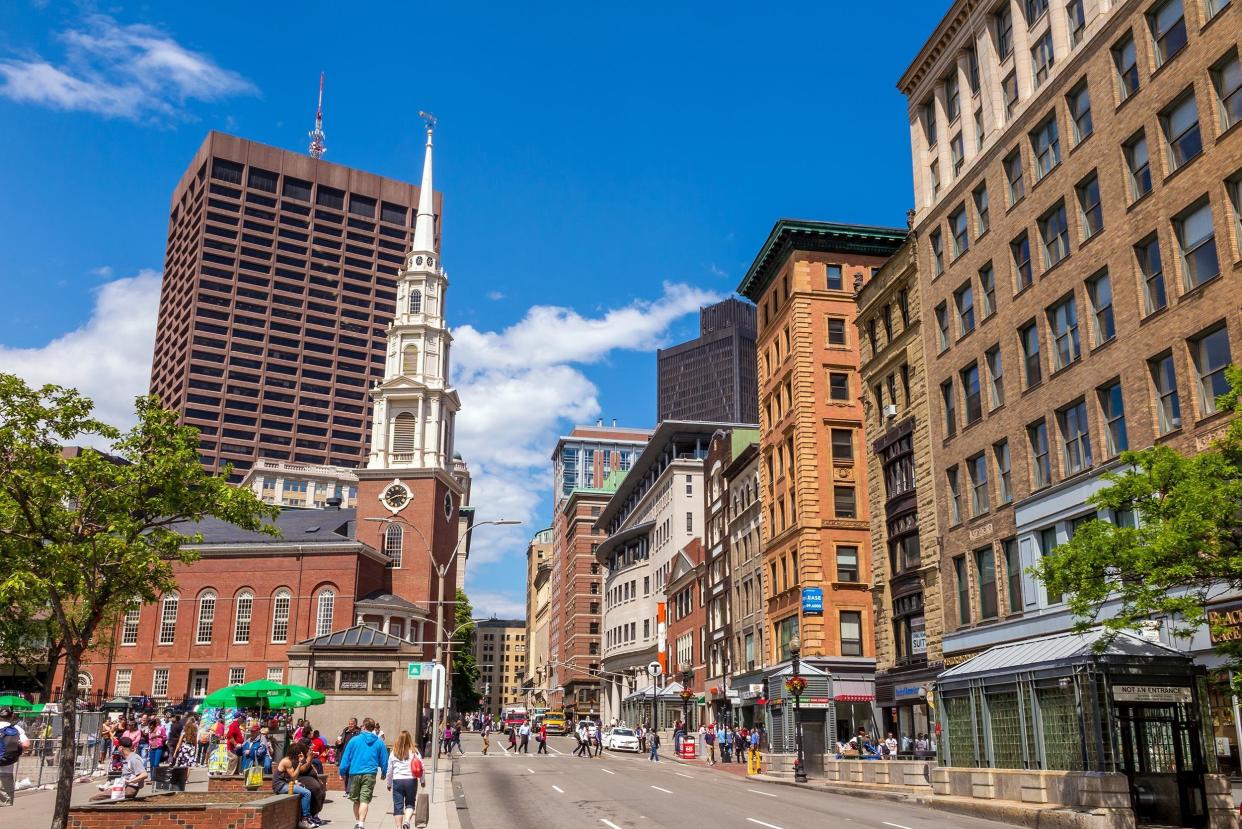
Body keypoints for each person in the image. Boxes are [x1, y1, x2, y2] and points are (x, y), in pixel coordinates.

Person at [338, 718, 389, 829]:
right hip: (370, 773)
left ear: (364, 727)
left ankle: (358, 822)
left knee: (356, 800)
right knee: (364, 799)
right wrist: (384, 772)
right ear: (373, 728)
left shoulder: (354, 740)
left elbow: (346, 758)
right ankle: (361, 824)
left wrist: (342, 772)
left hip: (354, 772)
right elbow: (384, 759)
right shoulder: (379, 742)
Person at [272, 741, 318, 828]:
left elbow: (292, 778)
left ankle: (306, 817)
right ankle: (305, 819)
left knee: (305, 788)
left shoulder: (289, 760)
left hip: (285, 784)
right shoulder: (287, 761)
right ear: (297, 753)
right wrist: (300, 763)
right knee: (307, 793)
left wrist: (296, 782)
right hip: (280, 786)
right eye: (301, 753)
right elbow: (293, 776)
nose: (302, 755)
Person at [90, 736, 147, 801]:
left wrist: (130, 781)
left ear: (120, 748)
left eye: (117, 747)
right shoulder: (127, 758)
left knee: (94, 798)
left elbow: (144, 774)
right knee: (103, 793)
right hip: (124, 787)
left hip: (130, 789)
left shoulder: (134, 759)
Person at [385, 730, 422, 829]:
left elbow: (389, 770)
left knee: (398, 806)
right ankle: (407, 821)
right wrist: (422, 780)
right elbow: (421, 767)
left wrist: (388, 783)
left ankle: (398, 827)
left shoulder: (394, 752)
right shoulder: (415, 751)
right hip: (411, 780)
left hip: (397, 780)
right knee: (410, 803)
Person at [0, 706, 31, 807]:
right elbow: (26, 745)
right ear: (12, 715)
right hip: (6, 771)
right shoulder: (16, 729)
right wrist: (17, 751)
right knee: (4, 804)